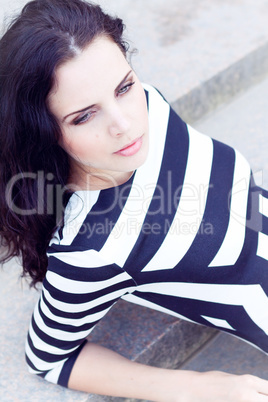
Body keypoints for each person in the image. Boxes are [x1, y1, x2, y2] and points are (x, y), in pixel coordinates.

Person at [1, 0, 268, 400]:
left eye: (124, 87)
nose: (124, 125)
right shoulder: (92, 247)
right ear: (44, 131)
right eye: (84, 116)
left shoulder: (152, 107)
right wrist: (200, 387)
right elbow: (48, 358)